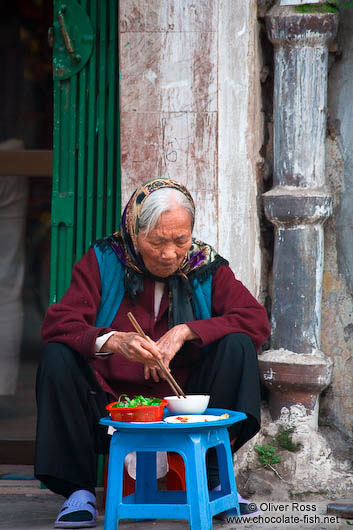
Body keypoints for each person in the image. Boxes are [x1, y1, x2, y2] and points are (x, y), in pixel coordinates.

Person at [35, 177, 270, 528]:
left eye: (180, 240)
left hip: (184, 406)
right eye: (157, 241)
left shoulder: (205, 266)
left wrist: (186, 331)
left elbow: (255, 320)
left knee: (237, 344)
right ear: (133, 232)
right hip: (113, 406)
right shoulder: (105, 260)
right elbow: (59, 323)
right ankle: (78, 492)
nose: (170, 254)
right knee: (57, 354)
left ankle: (212, 481)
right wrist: (114, 341)